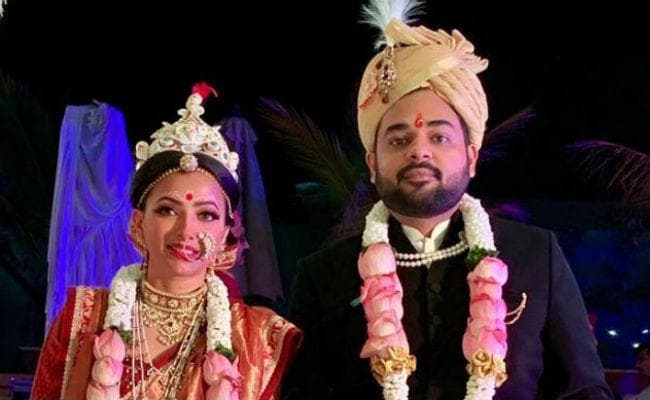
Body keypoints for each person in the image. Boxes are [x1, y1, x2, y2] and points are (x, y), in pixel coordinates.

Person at [284, 1, 613, 399]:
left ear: (471, 157)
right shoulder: (324, 275)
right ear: (372, 163)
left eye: (439, 137)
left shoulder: (534, 256)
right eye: (398, 140)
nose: (419, 151)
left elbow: (583, 389)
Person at [31, 83, 302, 400]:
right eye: (167, 210)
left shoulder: (259, 339)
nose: (185, 230)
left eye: (206, 215)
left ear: (227, 233)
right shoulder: (82, 320)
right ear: (138, 223)